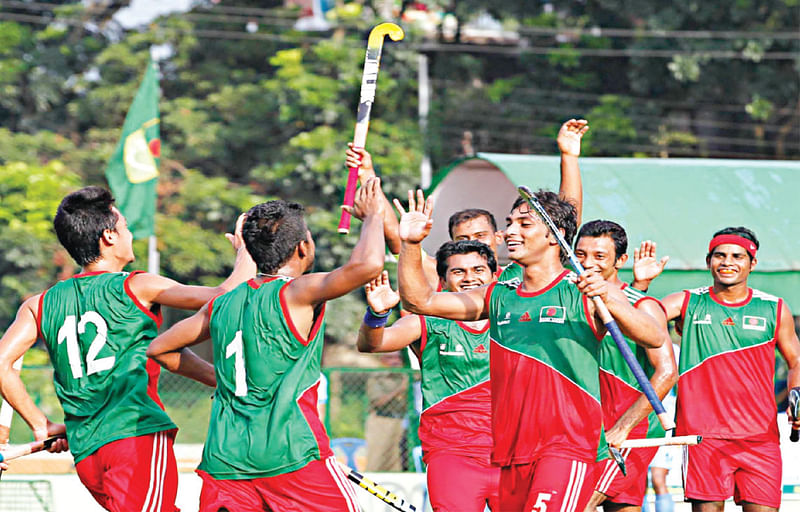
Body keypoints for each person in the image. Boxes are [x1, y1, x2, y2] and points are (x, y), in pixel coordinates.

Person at [395, 188, 665, 512]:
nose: (510, 231)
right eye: (510, 223)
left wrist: (609, 301)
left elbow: (653, 336)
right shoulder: (497, 294)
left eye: (524, 224)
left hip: (566, 449)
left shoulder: (587, 290)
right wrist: (410, 245)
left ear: (556, 236)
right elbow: (419, 302)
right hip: (510, 454)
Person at [0, 186, 255, 511]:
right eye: (126, 227)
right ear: (108, 237)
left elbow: (2, 363)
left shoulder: (39, 304)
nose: (130, 234)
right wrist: (246, 251)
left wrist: (40, 424)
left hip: (88, 453)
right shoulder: (136, 285)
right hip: (134, 438)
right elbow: (226, 295)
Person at [147, 178, 388, 512]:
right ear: (304, 248)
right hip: (292, 455)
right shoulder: (298, 293)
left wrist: (221, 380)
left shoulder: (223, 304)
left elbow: (159, 349)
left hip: (225, 462)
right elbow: (368, 266)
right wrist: (374, 215)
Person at [346, 118, 589, 287]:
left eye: (480, 235)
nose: (473, 243)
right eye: (463, 239)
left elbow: (564, 218)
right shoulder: (445, 278)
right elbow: (400, 240)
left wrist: (568, 156)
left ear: (499, 237)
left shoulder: (520, 276)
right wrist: (366, 173)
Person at [659, 227, 800, 512]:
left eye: (738, 256)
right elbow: (641, 318)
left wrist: (796, 392)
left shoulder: (774, 308)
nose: (727, 262)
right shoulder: (687, 302)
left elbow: (795, 361)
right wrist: (640, 285)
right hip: (703, 436)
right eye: (719, 255)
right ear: (708, 260)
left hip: (759, 437)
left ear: (752, 263)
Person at [357, 239, 500, 511]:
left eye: (478, 270)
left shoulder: (516, 320)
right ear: (443, 282)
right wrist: (377, 314)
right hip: (452, 456)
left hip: (513, 454)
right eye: (458, 272)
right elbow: (371, 344)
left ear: (494, 275)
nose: (470, 278)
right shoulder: (426, 321)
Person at [573, 223, 676, 512]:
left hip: (628, 432)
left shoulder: (643, 305)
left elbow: (667, 373)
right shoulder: (567, 301)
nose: (587, 263)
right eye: (580, 253)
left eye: (599, 256)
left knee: (576, 505)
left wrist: (623, 427)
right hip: (580, 431)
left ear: (620, 261)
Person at [364, 352, 408, 472]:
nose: (395, 361)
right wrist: (399, 390)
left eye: (398, 358)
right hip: (381, 420)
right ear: (382, 360)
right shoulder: (377, 377)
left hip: (399, 421)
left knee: (395, 461)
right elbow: (377, 402)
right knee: (377, 459)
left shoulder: (404, 376)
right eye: (390, 358)